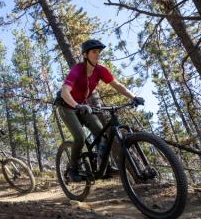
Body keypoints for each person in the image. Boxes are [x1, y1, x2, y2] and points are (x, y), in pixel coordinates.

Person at [56, 39, 144, 182]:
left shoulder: (100, 70)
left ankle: (104, 165)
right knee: (79, 136)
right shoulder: (78, 69)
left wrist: (134, 97)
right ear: (85, 55)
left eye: (98, 52)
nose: (97, 55)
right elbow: (65, 92)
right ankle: (73, 169)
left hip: (82, 107)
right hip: (66, 106)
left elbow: (117, 85)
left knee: (101, 133)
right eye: (94, 52)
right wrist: (77, 105)